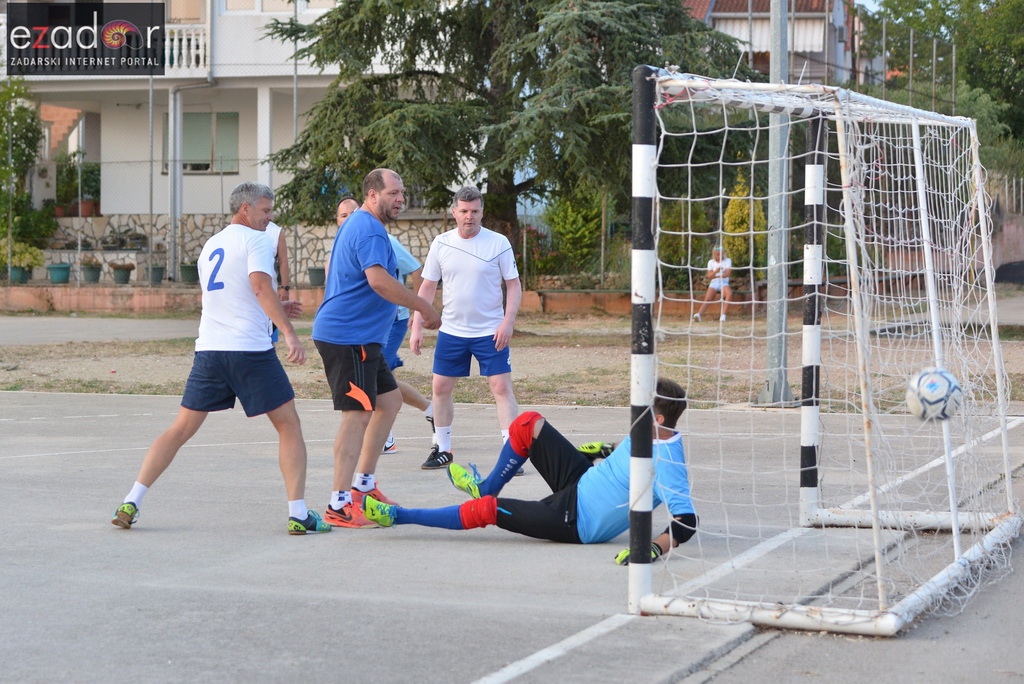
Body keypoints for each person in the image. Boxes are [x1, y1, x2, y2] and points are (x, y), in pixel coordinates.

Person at [111, 181, 330, 535]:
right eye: (265, 210)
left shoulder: (211, 244)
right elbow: (259, 287)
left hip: (210, 350)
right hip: (249, 352)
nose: (269, 218)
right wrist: (289, 331)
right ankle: (299, 513)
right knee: (288, 425)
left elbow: (227, 295)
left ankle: (131, 500)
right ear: (245, 209)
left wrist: (274, 310)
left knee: (179, 429)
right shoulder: (256, 240)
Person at [361, 378, 697, 563]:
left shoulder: (669, 461)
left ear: (660, 420)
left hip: (577, 519)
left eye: (642, 408)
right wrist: (602, 450)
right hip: (582, 482)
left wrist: (651, 548)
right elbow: (626, 456)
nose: (634, 410)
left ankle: (398, 515)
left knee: (487, 512)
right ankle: (487, 485)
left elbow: (687, 521)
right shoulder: (648, 432)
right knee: (528, 424)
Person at [313, 168, 441, 528]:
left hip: (363, 338)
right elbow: (379, 281)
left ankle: (363, 488)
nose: (401, 199)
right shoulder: (368, 228)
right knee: (357, 416)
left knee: (389, 400)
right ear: (372, 195)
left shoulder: (363, 225)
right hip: (347, 337)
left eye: (402, 193)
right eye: (393, 193)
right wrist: (423, 306)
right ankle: (338, 505)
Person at [410, 186, 522, 471]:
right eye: (464, 211)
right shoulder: (441, 243)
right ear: (454, 212)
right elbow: (427, 286)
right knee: (440, 387)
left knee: (501, 388)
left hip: (490, 331)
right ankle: (443, 449)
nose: (469, 216)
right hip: (452, 331)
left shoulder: (498, 243)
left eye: (474, 211)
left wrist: (508, 321)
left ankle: (511, 452)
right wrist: (417, 326)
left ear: (481, 212)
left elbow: (513, 284)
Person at [380, 231, 435, 454]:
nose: (346, 219)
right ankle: (432, 409)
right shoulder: (348, 238)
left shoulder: (387, 241)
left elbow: (415, 269)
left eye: (350, 213)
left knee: (377, 376)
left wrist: (417, 308)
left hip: (394, 320)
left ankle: (386, 438)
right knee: (385, 378)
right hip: (371, 322)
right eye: (341, 216)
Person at [693, 244, 733, 323]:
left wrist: (717, 276)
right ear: (714, 254)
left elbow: (727, 274)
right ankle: (698, 315)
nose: (719, 255)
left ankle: (723, 316)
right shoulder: (711, 262)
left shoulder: (727, 260)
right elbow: (710, 275)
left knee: (729, 294)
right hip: (714, 282)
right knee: (708, 298)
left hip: (723, 282)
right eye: (717, 254)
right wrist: (716, 271)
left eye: (721, 253)